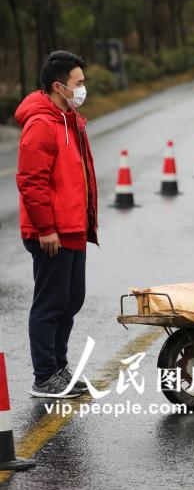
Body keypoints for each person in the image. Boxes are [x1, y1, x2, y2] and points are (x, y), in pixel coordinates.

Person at [15, 51, 98, 398]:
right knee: (49, 304)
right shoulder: (40, 125)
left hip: (74, 226)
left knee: (70, 301)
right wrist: (46, 227)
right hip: (52, 231)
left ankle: (59, 369)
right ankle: (44, 375)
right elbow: (31, 182)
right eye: (78, 84)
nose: (82, 89)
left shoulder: (71, 120)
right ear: (58, 86)